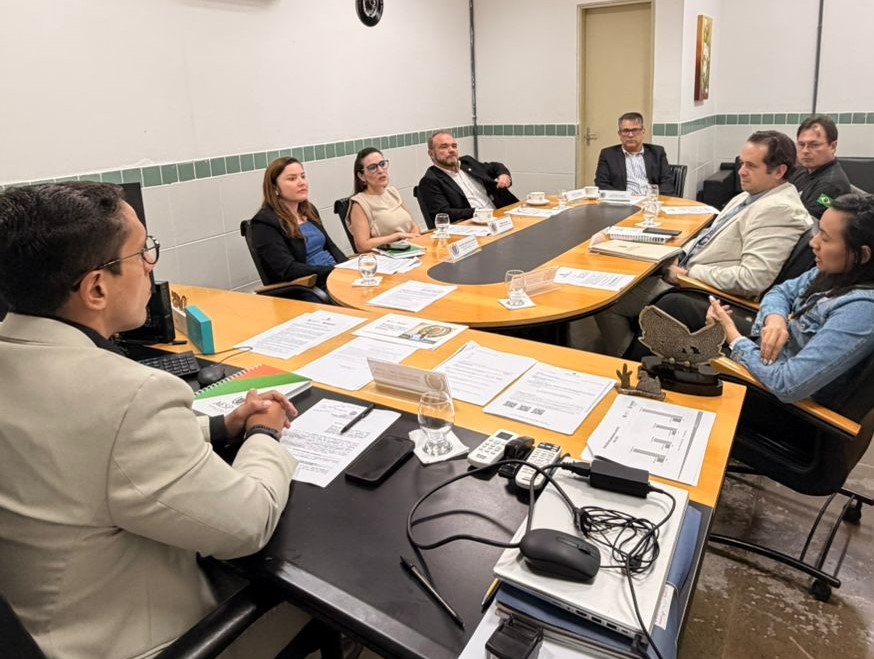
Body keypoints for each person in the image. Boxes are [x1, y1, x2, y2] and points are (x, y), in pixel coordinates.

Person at [0, 182, 304, 658]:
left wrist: (224, 425)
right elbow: (247, 524)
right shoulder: (131, 395)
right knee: (319, 607)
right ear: (97, 288)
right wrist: (264, 431)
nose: (151, 265)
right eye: (143, 251)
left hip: (41, 628)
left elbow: (85, 448)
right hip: (145, 640)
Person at [596, 131, 812, 356]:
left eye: (751, 166)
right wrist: (674, 256)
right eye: (741, 163)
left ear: (779, 171)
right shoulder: (749, 196)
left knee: (610, 301)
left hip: (701, 289)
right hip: (684, 274)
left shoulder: (779, 210)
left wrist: (688, 273)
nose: (741, 171)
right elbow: (708, 239)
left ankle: (625, 361)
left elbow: (752, 279)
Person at [705, 193, 874, 410]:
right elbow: (781, 291)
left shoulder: (860, 311)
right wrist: (775, 319)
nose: (814, 243)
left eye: (825, 238)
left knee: (678, 355)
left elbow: (787, 384)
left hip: (778, 402)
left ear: (863, 254)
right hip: (766, 357)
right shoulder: (837, 270)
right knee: (676, 305)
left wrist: (733, 338)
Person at [251, 157, 346, 288]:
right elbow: (288, 269)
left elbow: (331, 247)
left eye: (303, 176)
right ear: (275, 188)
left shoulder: (309, 210)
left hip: (335, 277)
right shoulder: (264, 223)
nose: (302, 183)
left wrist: (349, 269)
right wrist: (332, 271)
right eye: (292, 178)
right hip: (309, 286)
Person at [417, 130, 518, 226]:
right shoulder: (430, 181)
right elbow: (443, 213)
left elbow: (495, 166)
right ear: (431, 154)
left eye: (454, 146)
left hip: (502, 215)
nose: (451, 150)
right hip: (474, 224)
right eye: (444, 147)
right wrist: (478, 212)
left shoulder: (467, 162)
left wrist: (504, 175)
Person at [347, 147, 420, 252]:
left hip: (410, 248)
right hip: (387, 255)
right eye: (372, 168)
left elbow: (413, 224)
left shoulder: (392, 192)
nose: (381, 171)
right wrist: (397, 236)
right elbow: (362, 245)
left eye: (382, 164)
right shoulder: (359, 204)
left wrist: (412, 238)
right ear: (361, 176)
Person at [594, 112, 675, 196]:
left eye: (635, 130)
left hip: (652, 201)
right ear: (619, 134)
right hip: (623, 203)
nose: (630, 135)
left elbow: (667, 183)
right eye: (626, 131)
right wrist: (627, 198)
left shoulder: (657, 152)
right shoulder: (608, 155)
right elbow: (601, 185)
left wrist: (652, 199)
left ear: (643, 132)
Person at [789, 114, 852, 220]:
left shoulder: (831, 185)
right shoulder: (803, 170)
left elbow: (807, 223)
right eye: (801, 144)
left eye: (814, 145)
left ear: (832, 146)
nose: (805, 151)